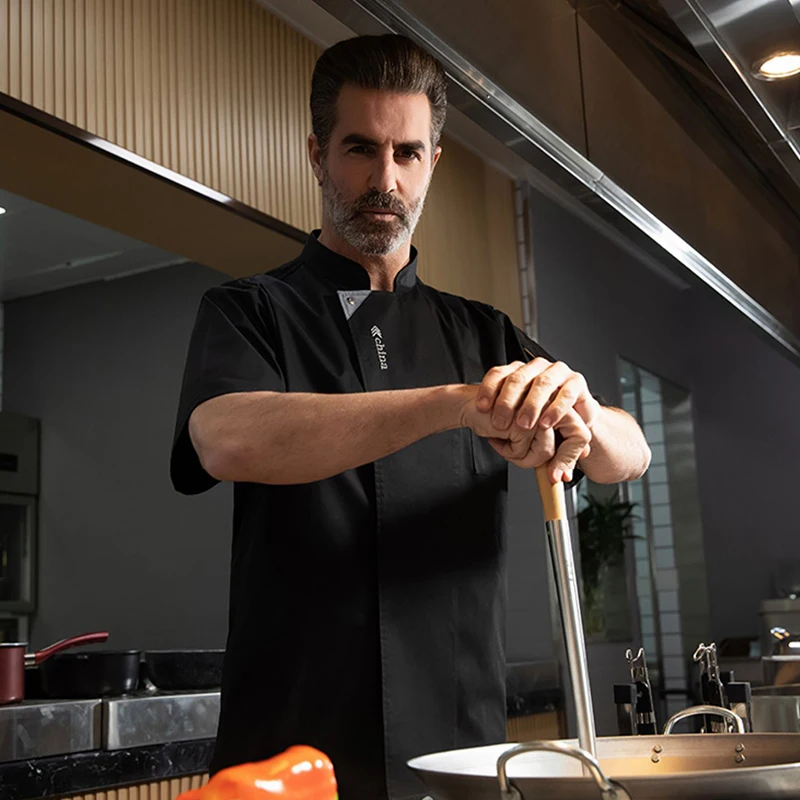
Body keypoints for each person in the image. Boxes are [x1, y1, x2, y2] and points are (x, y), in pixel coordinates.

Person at [170, 33, 650, 800]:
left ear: (434, 162)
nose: (384, 180)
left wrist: (581, 407)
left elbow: (630, 453)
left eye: (407, 153)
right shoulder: (250, 310)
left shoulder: (485, 334)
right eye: (360, 149)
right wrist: (452, 405)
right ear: (318, 155)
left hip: (462, 748)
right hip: (290, 754)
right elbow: (226, 438)